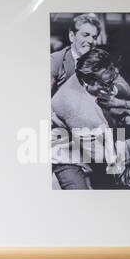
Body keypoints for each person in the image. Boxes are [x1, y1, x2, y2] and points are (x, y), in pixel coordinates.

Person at [50, 47, 123, 189]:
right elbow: (100, 157)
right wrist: (120, 160)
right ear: (87, 82)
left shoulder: (84, 74)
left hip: (85, 143)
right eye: (106, 84)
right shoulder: (76, 107)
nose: (109, 88)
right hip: (66, 156)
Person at [50, 13, 129, 95]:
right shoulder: (55, 60)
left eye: (94, 37)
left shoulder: (100, 59)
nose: (91, 41)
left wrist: (110, 89)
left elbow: (126, 88)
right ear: (72, 36)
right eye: (85, 35)